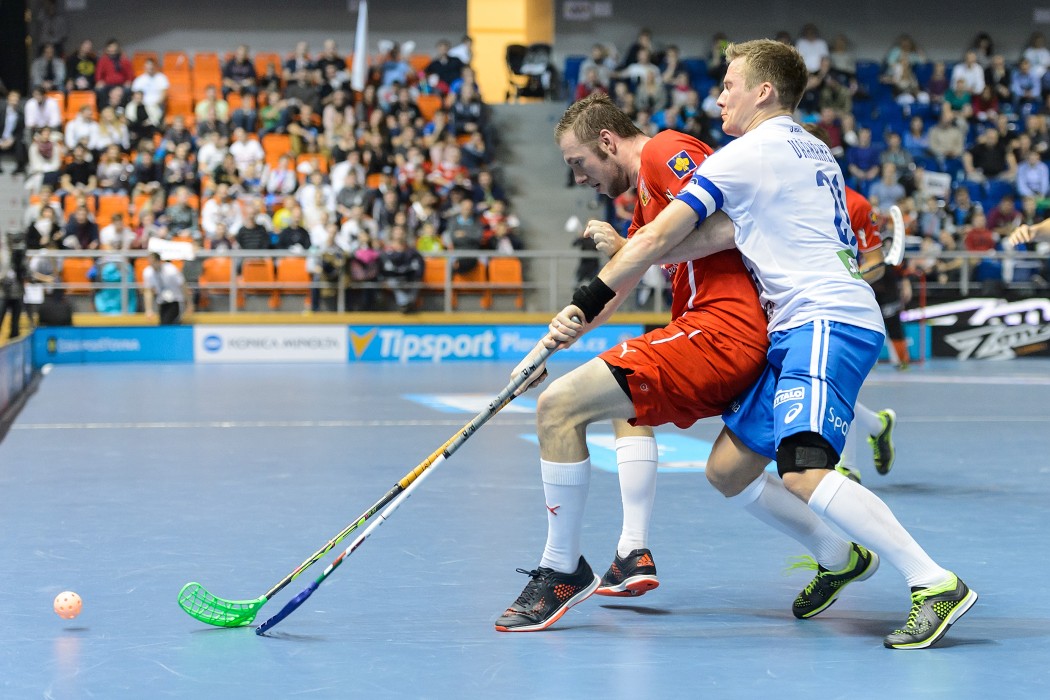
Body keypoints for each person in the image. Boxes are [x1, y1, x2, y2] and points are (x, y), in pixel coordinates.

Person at [545, 39, 975, 650]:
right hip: (797, 325)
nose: (719, 97)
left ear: (763, 92)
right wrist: (634, 251)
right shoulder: (811, 148)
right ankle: (839, 557)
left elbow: (664, 235)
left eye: (729, 85)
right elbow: (713, 238)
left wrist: (587, 300)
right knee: (728, 469)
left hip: (824, 318)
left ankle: (933, 582)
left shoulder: (747, 154)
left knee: (804, 469)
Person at [497, 92, 852, 633]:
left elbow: (732, 220)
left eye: (579, 162)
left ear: (607, 141)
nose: (579, 178)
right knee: (652, 424)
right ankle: (637, 550)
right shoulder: (644, 199)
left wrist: (638, 248)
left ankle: (561, 570)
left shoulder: (667, 150)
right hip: (713, 332)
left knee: (558, 406)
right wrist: (547, 345)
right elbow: (622, 282)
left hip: (723, 331)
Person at [142, 252, 190, 324]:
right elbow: (148, 291)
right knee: (163, 322)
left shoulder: (171, 270)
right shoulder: (148, 272)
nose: (151, 264)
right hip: (162, 302)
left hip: (175, 301)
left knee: (171, 322)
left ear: (158, 261)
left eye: (153, 262)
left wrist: (188, 303)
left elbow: (183, 285)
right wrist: (148, 309)